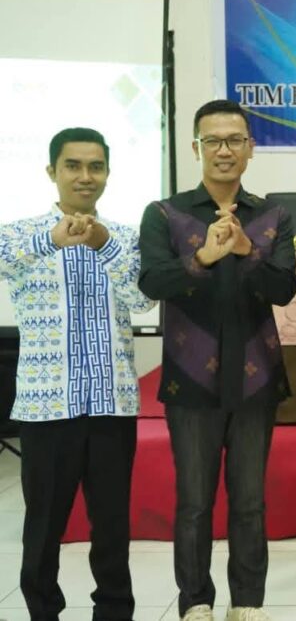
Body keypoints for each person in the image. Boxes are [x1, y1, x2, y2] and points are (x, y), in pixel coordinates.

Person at [138, 100, 296, 621]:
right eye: (213, 141)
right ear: (196, 148)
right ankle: (196, 602)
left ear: (250, 148)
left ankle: (247, 601)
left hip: (256, 379)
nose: (224, 150)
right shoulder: (165, 214)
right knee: (194, 502)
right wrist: (204, 256)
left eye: (234, 140)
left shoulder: (273, 216)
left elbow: (284, 289)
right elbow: (153, 282)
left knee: (250, 502)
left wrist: (247, 250)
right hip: (190, 380)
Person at [0, 127, 155, 621]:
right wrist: (52, 240)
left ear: (107, 173)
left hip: (112, 402)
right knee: (44, 524)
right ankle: (42, 611)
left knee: (112, 525)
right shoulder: (19, 233)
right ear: (52, 171)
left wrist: (103, 245)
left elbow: (143, 299)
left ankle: (114, 611)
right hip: (48, 405)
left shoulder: (125, 238)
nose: (85, 176)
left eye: (95, 166)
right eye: (73, 165)